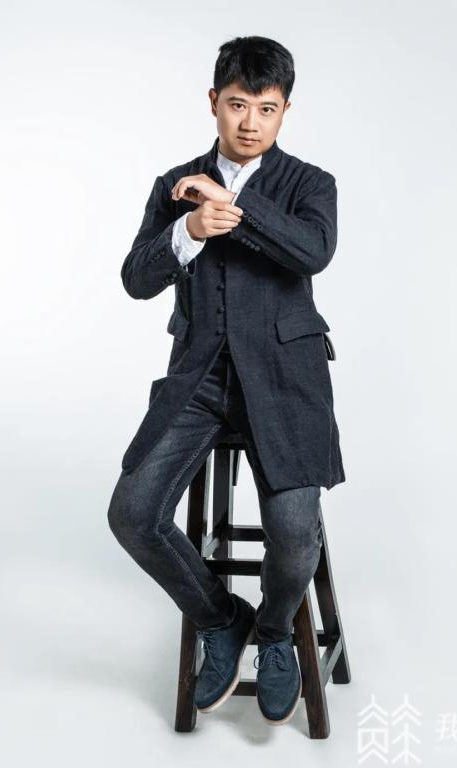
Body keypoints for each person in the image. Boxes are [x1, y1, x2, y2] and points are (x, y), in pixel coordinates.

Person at [107, 35, 345, 726]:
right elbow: (135, 279)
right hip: (199, 381)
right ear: (214, 101)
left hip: (287, 381)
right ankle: (222, 617)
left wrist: (230, 206)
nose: (250, 123)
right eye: (238, 105)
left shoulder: (311, 183)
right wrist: (187, 229)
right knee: (132, 514)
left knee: (294, 538)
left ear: (285, 112)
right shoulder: (174, 184)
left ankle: (275, 635)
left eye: (266, 109)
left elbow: (313, 251)